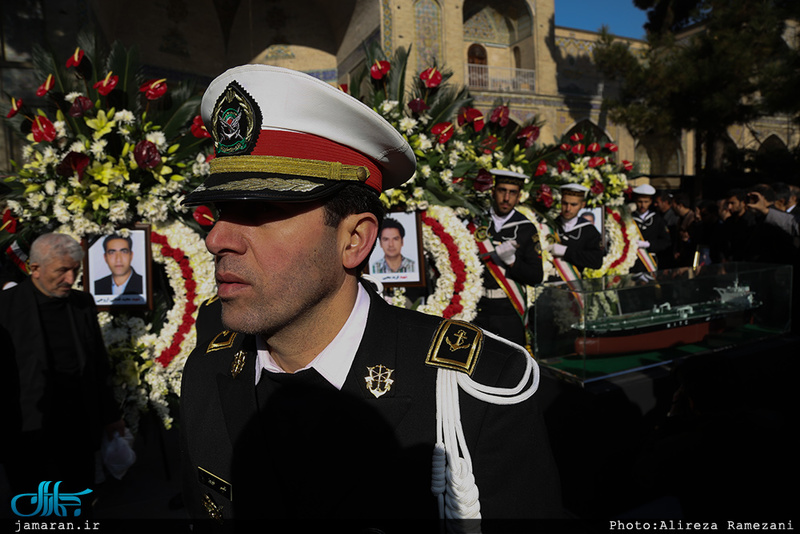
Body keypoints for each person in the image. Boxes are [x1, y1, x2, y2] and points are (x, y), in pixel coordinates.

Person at [179, 65, 561, 531]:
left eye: (262, 209)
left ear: (355, 240)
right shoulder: (208, 366)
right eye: (220, 212)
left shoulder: (471, 393)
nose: (217, 237)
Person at [0, 233, 124, 497]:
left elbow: (98, 364)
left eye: (75, 270)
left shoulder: (82, 303)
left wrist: (111, 416)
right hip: (26, 432)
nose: (71, 279)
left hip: (77, 427)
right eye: (62, 271)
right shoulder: (6, 308)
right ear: (35, 269)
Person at [471, 169, 543, 347]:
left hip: (508, 308)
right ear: (493, 191)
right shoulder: (476, 221)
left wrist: (512, 261)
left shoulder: (526, 228)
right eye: (502, 190)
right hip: (478, 306)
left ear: (519, 197)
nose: (506, 198)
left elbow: (536, 276)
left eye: (512, 193)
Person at [546, 183, 604, 274]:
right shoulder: (549, 226)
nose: (568, 209)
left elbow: (596, 261)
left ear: (582, 205)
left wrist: (566, 252)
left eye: (573, 205)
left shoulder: (589, 231)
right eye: (565, 203)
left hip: (573, 283)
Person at [630, 184, 671, 273]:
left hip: (649, 262)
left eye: (646, 202)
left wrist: (648, 244)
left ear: (651, 201)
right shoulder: (629, 218)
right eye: (640, 201)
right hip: (632, 261)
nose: (643, 205)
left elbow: (665, 241)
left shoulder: (657, 219)